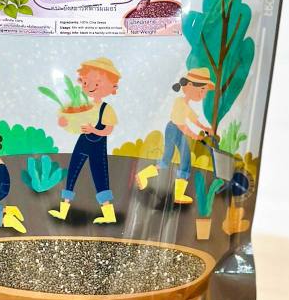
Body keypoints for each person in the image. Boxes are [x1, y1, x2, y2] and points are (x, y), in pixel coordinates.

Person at [49, 57, 121, 224]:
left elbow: (108, 129)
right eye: (87, 82)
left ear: (111, 86)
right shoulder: (84, 106)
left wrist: (94, 130)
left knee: (100, 176)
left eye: (97, 83)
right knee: (72, 172)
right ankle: (63, 211)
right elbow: (74, 124)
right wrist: (65, 122)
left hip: (97, 145)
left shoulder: (106, 108)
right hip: (82, 142)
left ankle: (108, 214)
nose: (91, 87)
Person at [136, 67, 216, 204]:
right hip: (174, 129)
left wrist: (205, 128)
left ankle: (178, 194)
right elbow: (181, 125)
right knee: (169, 159)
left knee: (183, 159)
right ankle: (143, 175)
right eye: (202, 90)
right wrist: (195, 136)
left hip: (177, 129)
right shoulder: (179, 103)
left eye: (205, 91)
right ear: (189, 85)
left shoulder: (185, 103)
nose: (203, 94)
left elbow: (193, 119)